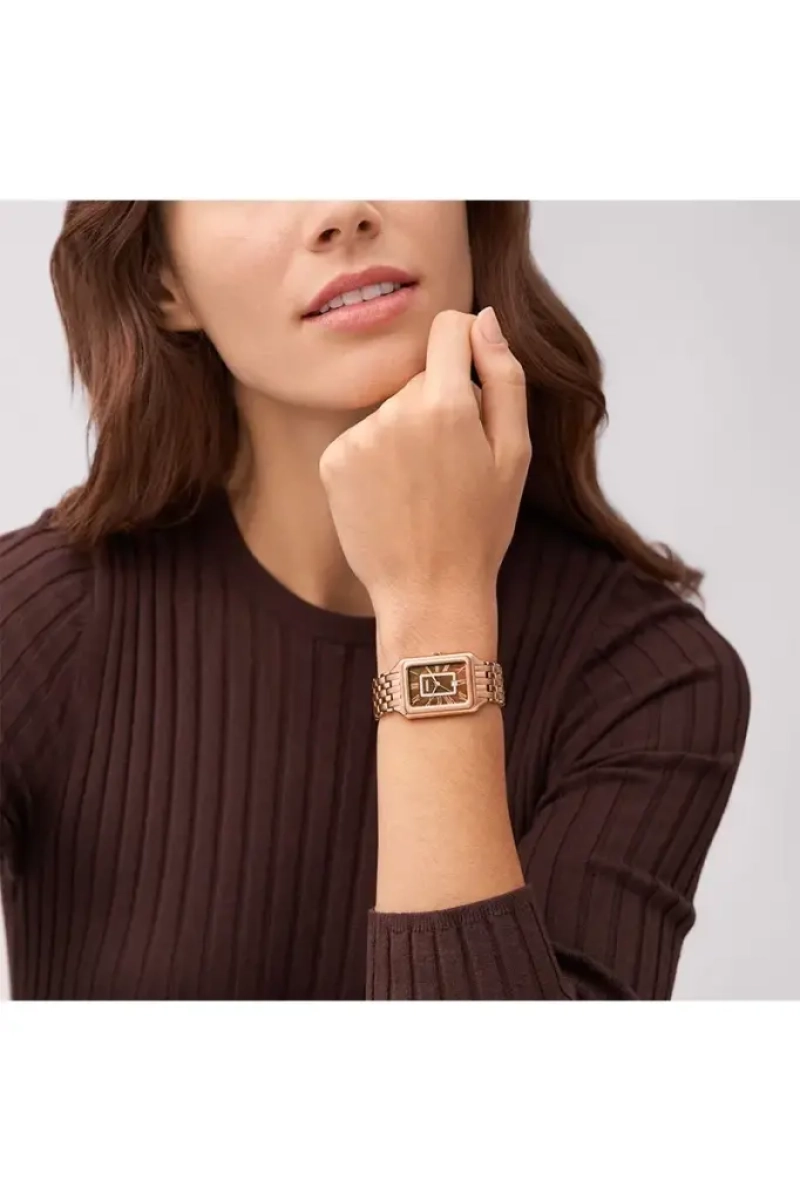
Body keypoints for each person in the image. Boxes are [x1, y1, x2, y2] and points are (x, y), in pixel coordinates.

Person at [0, 201, 750, 1000]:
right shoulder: (35, 625)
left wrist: (436, 609)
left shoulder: (649, 679)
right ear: (162, 283)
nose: (342, 211)